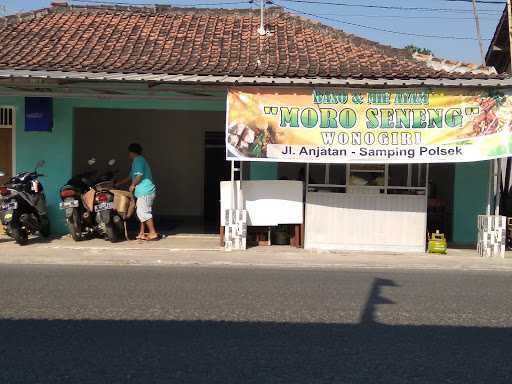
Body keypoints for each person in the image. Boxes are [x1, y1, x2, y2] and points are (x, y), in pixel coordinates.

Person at [117, 143, 159, 241]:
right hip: (143, 192)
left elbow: (139, 176)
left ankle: (152, 233)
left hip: (145, 191)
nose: (128, 155)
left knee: (143, 212)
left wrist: (133, 185)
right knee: (140, 213)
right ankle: (141, 233)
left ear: (132, 152)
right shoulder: (137, 161)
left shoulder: (138, 160)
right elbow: (130, 176)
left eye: (129, 152)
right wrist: (118, 183)